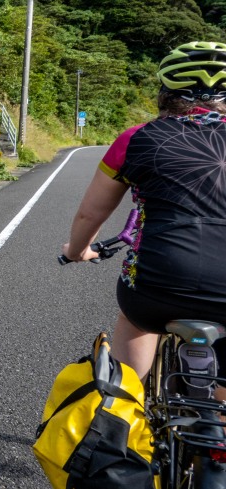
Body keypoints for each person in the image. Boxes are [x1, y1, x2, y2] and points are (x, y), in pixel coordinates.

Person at [62, 41, 226, 383]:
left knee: (137, 321)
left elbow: (89, 216)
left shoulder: (136, 138)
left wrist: (78, 251)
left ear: (166, 91)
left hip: (158, 286)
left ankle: (126, 401)